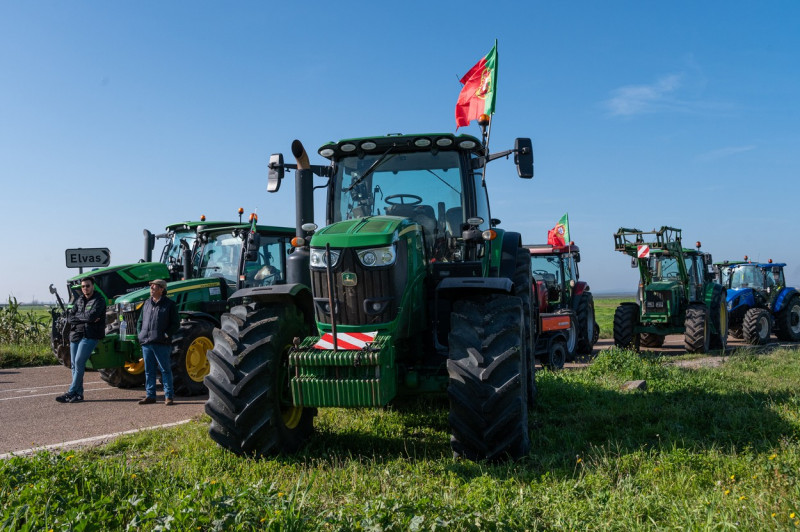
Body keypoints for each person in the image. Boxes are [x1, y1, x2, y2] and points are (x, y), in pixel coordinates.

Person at [56, 276, 106, 403]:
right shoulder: (79, 300)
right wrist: (85, 318)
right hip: (76, 335)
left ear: (93, 286)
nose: (85, 288)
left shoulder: (99, 300)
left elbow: (92, 316)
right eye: (83, 286)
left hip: (90, 336)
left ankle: (71, 391)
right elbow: (70, 317)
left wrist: (83, 318)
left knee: (78, 362)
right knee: (74, 365)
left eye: (87, 286)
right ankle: (78, 394)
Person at [136, 279, 180, 405]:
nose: (151, 290)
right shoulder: (147, 303)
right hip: (147, 342)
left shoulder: (170, 304)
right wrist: (140, 334)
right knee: (149, 370)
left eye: (154, 288)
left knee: (165, 369)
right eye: (151, 288)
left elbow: (175, 324)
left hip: (161, 343)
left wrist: (165, 335)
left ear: (161, 289)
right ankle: (150, 396)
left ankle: (169, 396)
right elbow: (140, 321)